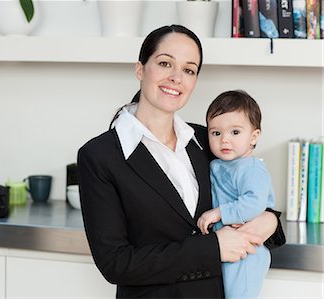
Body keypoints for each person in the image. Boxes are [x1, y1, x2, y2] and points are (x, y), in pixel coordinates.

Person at [77, 24, 285, 298]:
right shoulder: (99, 155)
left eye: (189, 69)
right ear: (140, 69)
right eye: (165, 63)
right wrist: (213, 249)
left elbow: (249, 196)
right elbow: (116, 263)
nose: (176, 77)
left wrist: (270, 221)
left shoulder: (207, 139)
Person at [197, 90, 275, 299]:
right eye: (216, 133)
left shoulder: (250, 168)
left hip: (247, 254)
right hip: (227, 247)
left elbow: (255, 203)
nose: (224, 140)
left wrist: (219, 213)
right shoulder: (220, 165)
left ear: (254, 136)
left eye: (235, 132)